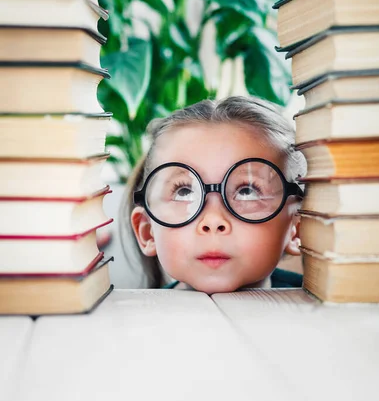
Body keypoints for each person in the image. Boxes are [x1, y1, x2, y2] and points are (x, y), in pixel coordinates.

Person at [120, 96, 306, 293]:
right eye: (184, 192)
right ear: (148, 231)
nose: (213, 220)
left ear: (296, 228)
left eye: (247, 191)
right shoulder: (134, 321)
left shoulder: (326, 311)